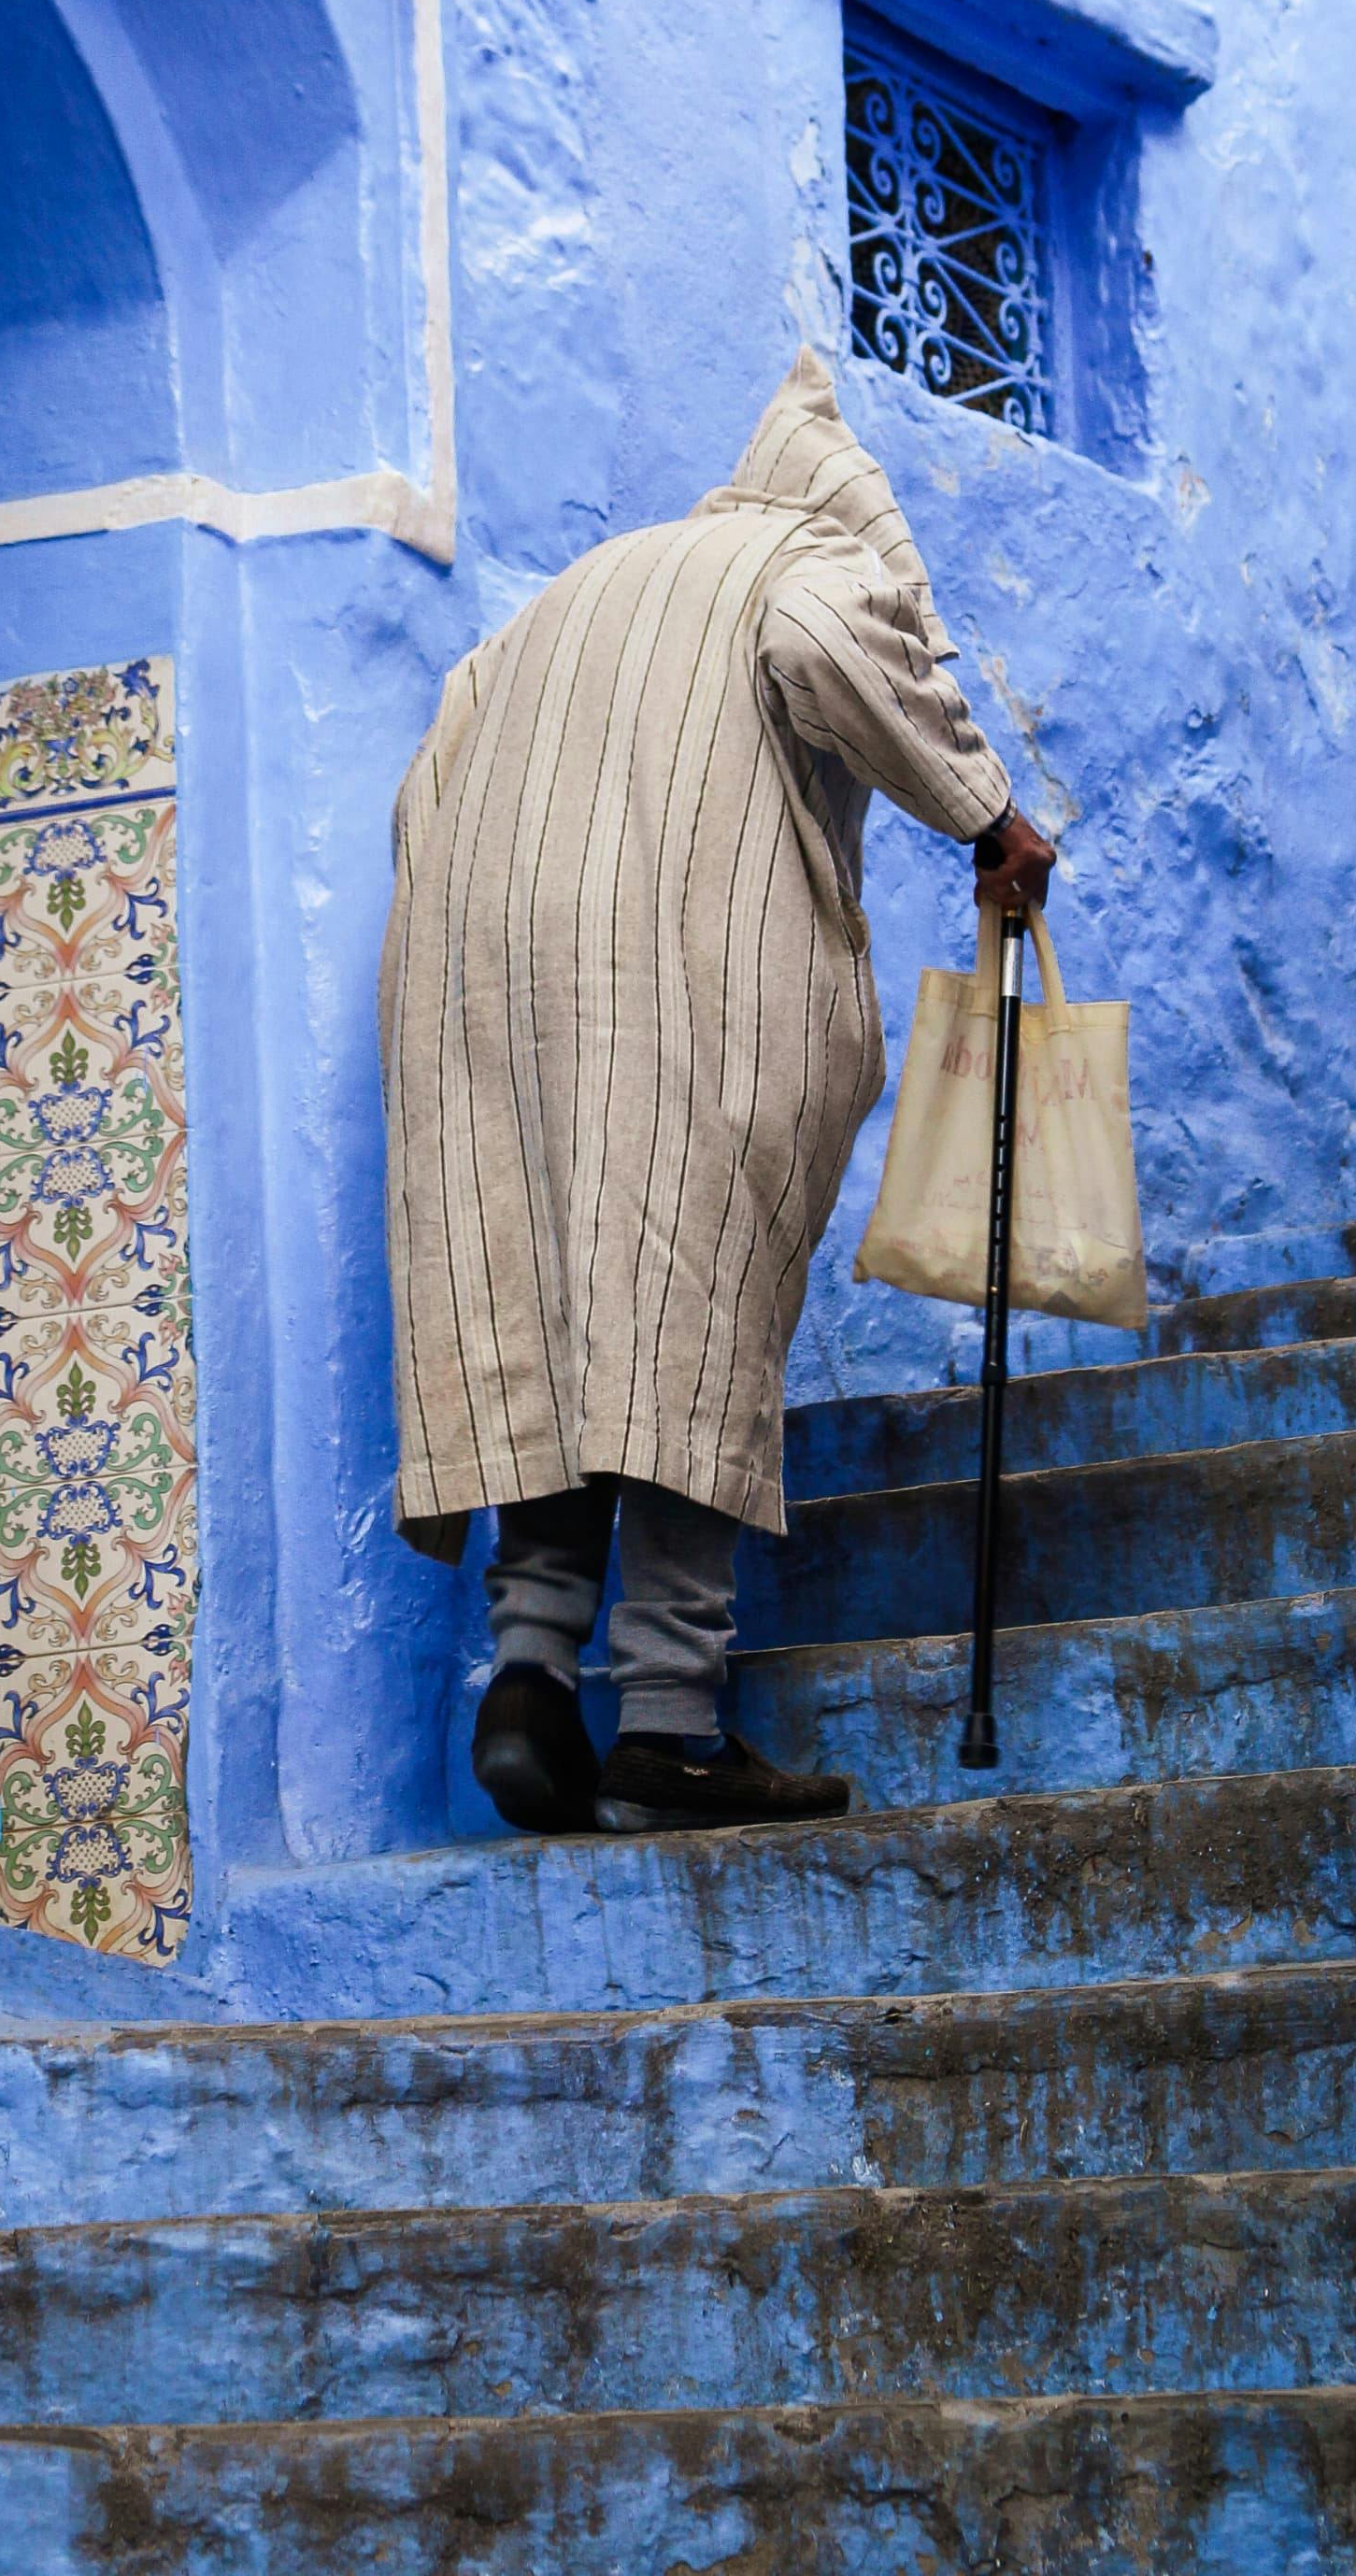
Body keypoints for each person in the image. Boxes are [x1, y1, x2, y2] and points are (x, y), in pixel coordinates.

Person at [379, 349, 1055, 1836]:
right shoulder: (806, 558)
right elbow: (828, 639)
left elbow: (423, 782)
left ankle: (531, 1678)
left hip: (471, 989)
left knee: (542, 1312)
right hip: (680, 982)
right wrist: (988, 818)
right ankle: (672, 1721)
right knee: (689, 1321)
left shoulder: (571, 591)